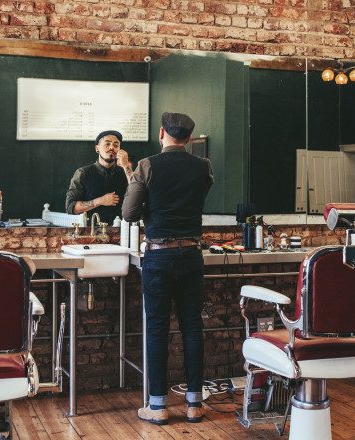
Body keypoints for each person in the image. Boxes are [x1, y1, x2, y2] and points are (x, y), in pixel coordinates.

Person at [122, 112, 214, 425]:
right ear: (188, 138)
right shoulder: (203, 166)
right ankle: (195, 404)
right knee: (192, 326)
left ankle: (158, 406)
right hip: (192, 253)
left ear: (162, 133)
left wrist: (150, 205)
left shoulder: (146, 166)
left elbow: (129, 213)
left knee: (157, 328)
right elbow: (193, 201)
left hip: (159, 256)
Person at [65, 130, 133, 225]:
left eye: (116, 145)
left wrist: (126, 166)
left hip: (122, 230)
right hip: (92, 231)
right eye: (107, 144)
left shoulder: (125, 172)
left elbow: (138, 191)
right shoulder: (83, 173)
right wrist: (100, 201)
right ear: (97, 148)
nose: (111, 147)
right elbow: (70, 207)